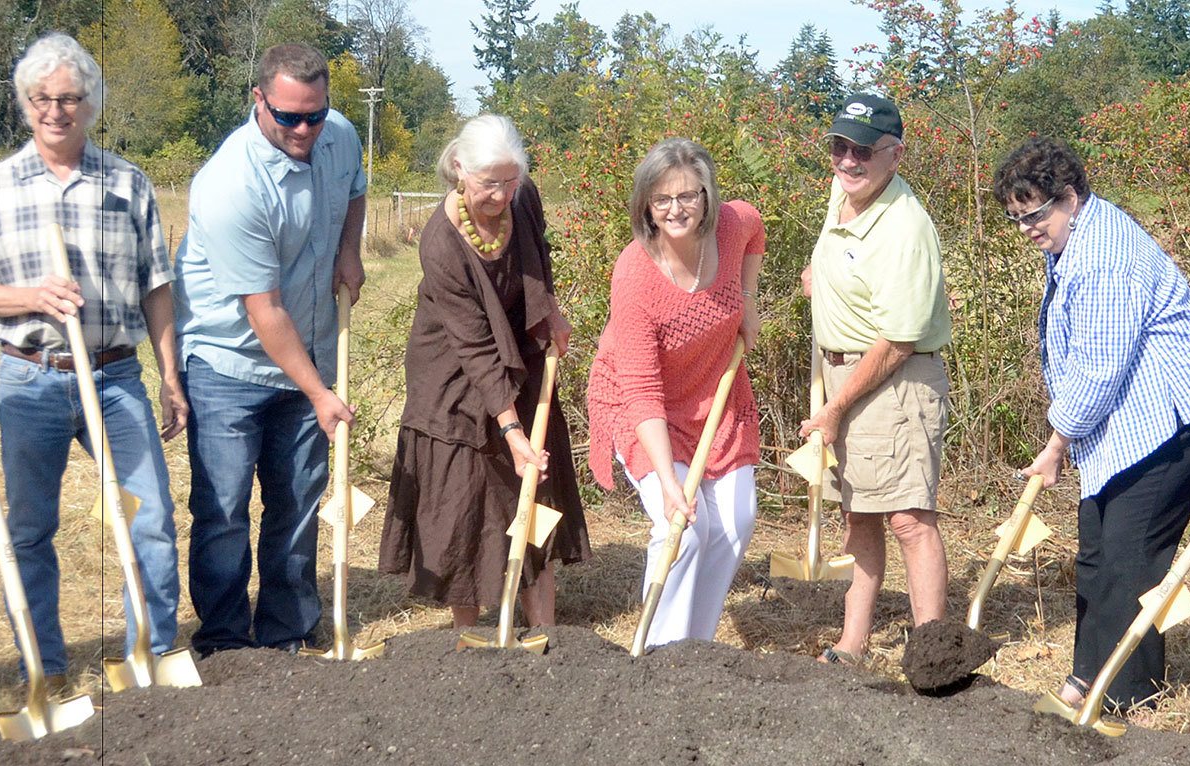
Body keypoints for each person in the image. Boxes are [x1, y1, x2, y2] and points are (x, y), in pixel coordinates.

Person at [0, 33, 185, 685]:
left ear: (90, 104)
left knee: (151, 518)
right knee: (29, 530)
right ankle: (43, 666)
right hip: (32, 377)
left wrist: (169, 375)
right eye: (43, 98)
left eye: (70, 98)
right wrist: (31, 296)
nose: (56, 110)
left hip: (114, 378)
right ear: (26, 103)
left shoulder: (126, 184)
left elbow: (156, 286)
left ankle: (154, 654)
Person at [993, 136, 1190, 709]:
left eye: (1033, 214)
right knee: (1095, 550)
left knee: (1129, 557)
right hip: (1130, 419)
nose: (1026, 228)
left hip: (1174, 420)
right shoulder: (1075, 232)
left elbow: (1100, 365)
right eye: (1016, 217)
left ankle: (1127, 697)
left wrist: (1057, 441)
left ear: (1068, 196)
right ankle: (1086, 676)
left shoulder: (1103, 259)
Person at [173, 43, 366, 655]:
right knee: (225, 508)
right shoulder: (232, 184)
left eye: (315, 113)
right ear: (259, 101)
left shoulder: (338, 135)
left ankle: (286, 633)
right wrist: (320, 393)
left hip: (308, 346)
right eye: (289, 117)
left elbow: (355, 188)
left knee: (297, 501)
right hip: (229, 363)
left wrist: (350, 248)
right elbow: (265, 311)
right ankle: (226, 642)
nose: (305, 128)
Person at [378, 115, 589, 625]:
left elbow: (538, 262)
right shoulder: (440, 243)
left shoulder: (524, 195)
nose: (501, 195)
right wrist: (510, 428)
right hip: (451, 369)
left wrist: (549, 311)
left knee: (536, 483)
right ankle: (469, 634)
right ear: (458, 169)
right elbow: (473, 347)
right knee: (464, 500)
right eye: (489, 183)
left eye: (510, 181)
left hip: (522, 348)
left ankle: (543, 628)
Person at [587, 138, 763, 649]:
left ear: (707, 196)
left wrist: (747, 303)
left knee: (734, 521)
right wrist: (667, 483)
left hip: (716, 395)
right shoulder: (635, 274)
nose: (676, 209)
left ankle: (696, 651)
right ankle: (661, 654)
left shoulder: (729, 226)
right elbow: (641, 389)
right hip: (643, 405)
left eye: (688, 195)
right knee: (683, 530)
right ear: (646, 204)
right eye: (662, 199)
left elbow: (755, 230)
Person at [800, 93, 952, 665]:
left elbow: (900, 338)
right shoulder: (843, 192)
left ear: (896, 156)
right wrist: (825, 276)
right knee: (858, 513)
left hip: (895, 380)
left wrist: (836, 407)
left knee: (909, 517)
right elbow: (844, 261)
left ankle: (934, 651)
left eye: (862, 150)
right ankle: (853, 643)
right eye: (839, 146)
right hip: (846, 374)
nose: (847, 160)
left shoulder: (905, 227)